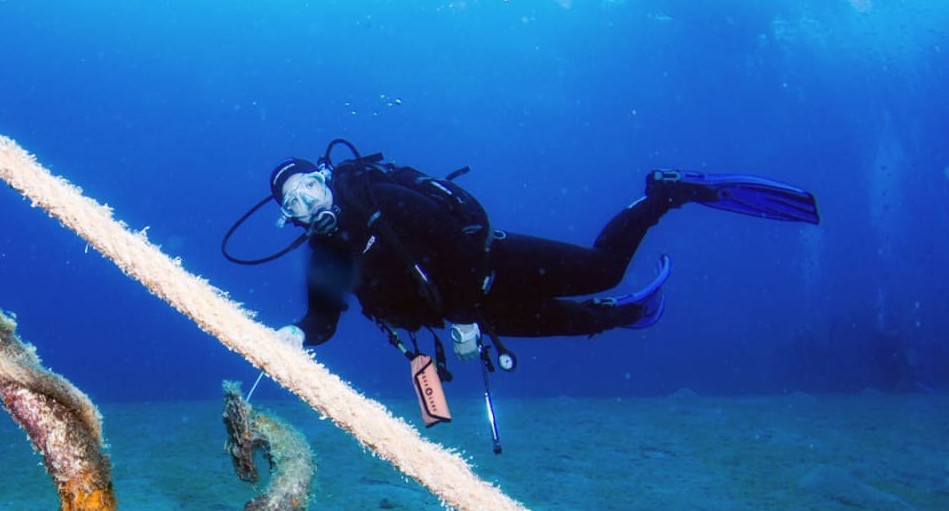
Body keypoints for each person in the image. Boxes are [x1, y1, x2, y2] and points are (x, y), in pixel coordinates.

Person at [224, 142, 819, 362]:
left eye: (308, 186)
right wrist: (295, 336)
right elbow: (323, 316)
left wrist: (461, 315)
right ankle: (627, 315)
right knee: (575, 322)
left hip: (494, 264)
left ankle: (663, 195)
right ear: (288, 217)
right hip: (477, 314)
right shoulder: (327, 252)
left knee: (602, 269)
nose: (306, 202)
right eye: (293, 202)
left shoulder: (378, 197)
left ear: (325, 177)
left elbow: (456, 238)